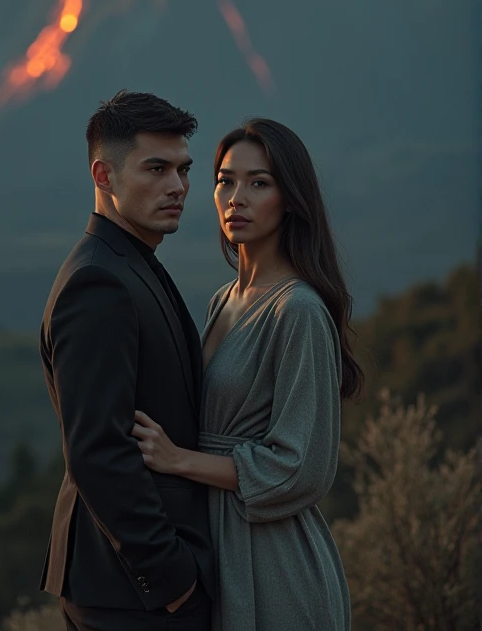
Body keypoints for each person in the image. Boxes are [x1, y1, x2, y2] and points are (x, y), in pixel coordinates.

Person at [132, 118, 364, 631]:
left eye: (259, 183)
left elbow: (300, 467)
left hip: (275, 564)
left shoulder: (297, 310)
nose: (237, 197)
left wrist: (179, 461)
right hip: (216, 547)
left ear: (291, 199)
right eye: (225, 180)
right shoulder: (224, 299)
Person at [39, 90, 215, 631]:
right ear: (104, 175)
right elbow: (96, 450)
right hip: (130, 594)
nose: (178, 187)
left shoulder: (132, 262)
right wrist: (171, 579)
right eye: (156, 168)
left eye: (183, 170)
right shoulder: (98, 282)